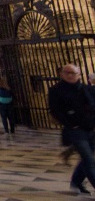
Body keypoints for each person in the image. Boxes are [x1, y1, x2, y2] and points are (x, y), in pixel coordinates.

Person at [49, 63, 95, 194]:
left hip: (90, 128)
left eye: (73, 73)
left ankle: (76, 181)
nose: (69, 75)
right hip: (74, 130)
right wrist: (70, 123)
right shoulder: (56, 90)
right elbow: (55, 111)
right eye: (66, 72)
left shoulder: (87, 89)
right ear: (61, 74)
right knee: (88, 159)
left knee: (87, 158)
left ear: (79, 74)